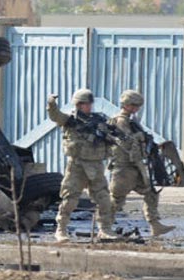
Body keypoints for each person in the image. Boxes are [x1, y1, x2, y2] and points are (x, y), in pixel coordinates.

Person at [47, 89, 118, 243]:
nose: (89, 106)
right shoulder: (70, 120)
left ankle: (105, 229)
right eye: (86, 104)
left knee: (104, 198)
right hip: (77, 165)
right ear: (78, 104)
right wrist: (51, 104)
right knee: (70, 199)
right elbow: (55, 116)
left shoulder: (98, 120)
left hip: (96, 165)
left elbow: (110, 136)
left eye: (90, 103)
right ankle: (61, 230)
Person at [108, 90, 175, 237]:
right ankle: (104, 227)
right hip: (123, 167)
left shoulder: (131, 121)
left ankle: (155, 224)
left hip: (135, 166)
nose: (136, 108)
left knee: (151, 193)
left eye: (138, 106)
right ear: (126, 105)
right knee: (116, 200)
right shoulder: (121, 121)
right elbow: (125, 141)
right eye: (134, 105)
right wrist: (139, 137)